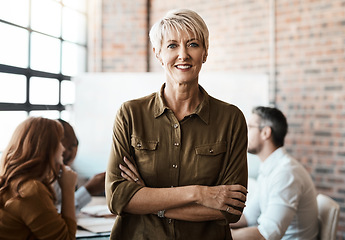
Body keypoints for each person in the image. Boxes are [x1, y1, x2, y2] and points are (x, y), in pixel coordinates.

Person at [105, 8, 248, 240]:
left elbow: (230, 209)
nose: (183, 55)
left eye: (192, 44)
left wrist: (149, 199)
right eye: (172, 46)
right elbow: (117, 198)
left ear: (205, 52)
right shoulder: (130, 114)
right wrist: (200, 194)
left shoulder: (231, 119)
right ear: (158, 54)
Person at [230, 106, 319, 240]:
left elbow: (266, 235)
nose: (244, 132)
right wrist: (211, 225)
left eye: (250, 127)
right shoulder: (269, 168)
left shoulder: (286, 173)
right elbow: (249, 217)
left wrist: (221, 235)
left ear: (265, 132)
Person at [0, 117, 77, 240]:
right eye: (59, 142)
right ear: (47, 147)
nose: (63, 149)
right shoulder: (32, 190)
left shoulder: (14, 183)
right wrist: (68, 189)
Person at [55, 119, 105, 212]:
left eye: (73, 144)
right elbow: (54, 215)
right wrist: (88, 190)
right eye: (68, 146)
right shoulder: (39, 180)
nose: (66, 150)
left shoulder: (65, 171)